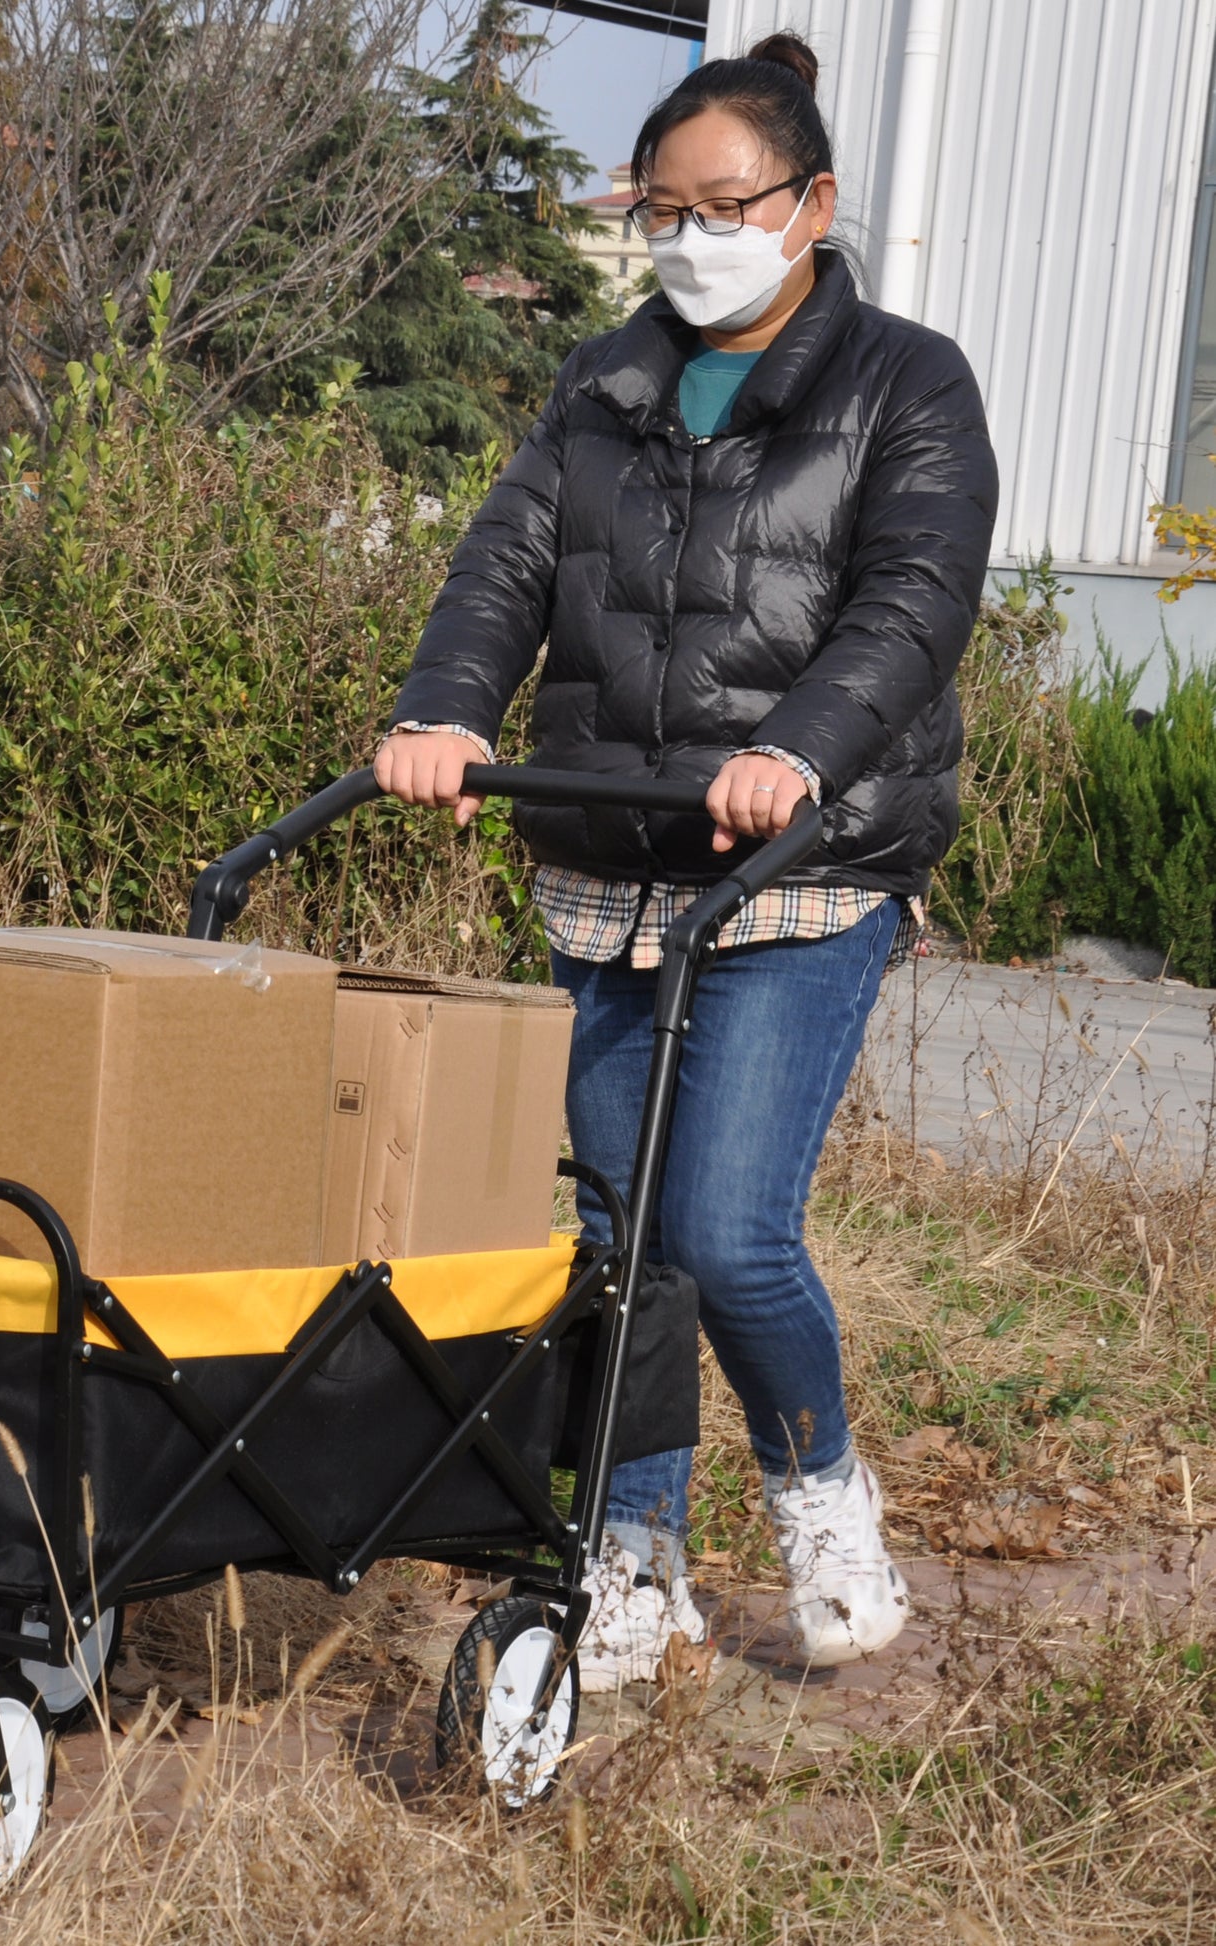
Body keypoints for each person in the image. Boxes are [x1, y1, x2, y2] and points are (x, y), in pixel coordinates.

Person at [375, 32, 997, 1683]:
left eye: (724, 205)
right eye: (662, 208)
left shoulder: (906, 381)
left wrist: (793, 747)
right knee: (616, 1235)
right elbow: (504, 564)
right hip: (615, 851)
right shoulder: (599, 376)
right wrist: (443, 707)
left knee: (725, 1229)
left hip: (804, 861)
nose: (689, 238)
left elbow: (912, 601)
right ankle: (629, 1553)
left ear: (810, 205)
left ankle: (817, 1489)